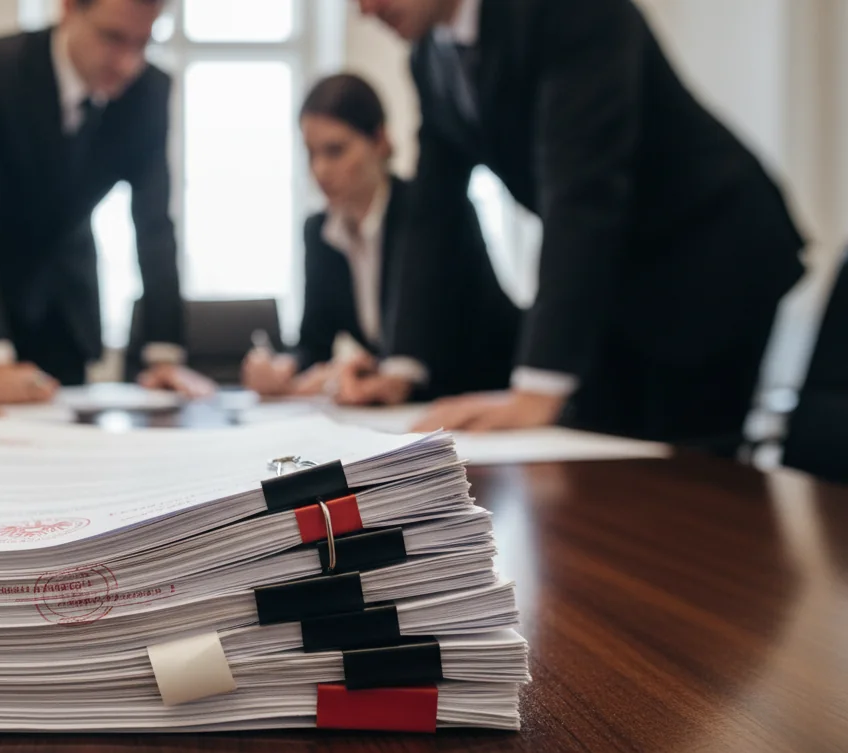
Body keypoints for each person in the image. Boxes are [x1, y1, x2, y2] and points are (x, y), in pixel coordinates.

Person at [355, 0, 805, 453]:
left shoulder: (571, 9)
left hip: (710, 256)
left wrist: (536, 388)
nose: (365, 9)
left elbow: (581, 193)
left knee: (686, 479)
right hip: (619, 273)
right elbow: (432, 216)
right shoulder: (429, 58)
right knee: (598, 463)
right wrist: (402, 368)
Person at [0, 0, 216, 405]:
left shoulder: (149, 90)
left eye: (143, 43)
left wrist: (164, 356)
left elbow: (153, 224)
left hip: (62, 304)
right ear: (67, 10)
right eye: (113, 38)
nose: (127, 64)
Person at [241, 74, 519, 405]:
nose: (320, 170)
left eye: (335, 151)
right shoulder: (320, 232)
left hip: (486, 397)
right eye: (310, 153)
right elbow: (315, 340)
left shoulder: (431, 212)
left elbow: (452, 339)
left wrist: (370, 375)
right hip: (406, 413)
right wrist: (282, 367)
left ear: (379, 140)